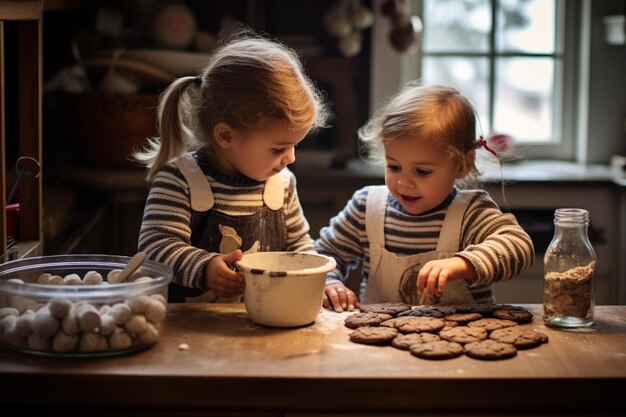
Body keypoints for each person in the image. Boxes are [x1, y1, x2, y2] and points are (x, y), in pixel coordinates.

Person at [135, 31, 327, 302]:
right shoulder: (179, 180)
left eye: (294, 145)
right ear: (226, 136)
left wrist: (320, 276)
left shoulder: (282, 183)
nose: (290, 158)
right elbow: (155, 247)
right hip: (191, 331)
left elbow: (300, 247)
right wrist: (204, 267)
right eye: (278, 148)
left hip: (263, 324)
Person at [315, 83, 534, 312]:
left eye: (422, 172)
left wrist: (463, 264)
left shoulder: (471, 213)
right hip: (379, 344)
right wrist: (330, 283)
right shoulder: (366, 208)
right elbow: (324, 255)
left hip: (459, 343)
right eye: (394, 166)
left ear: (462, 164)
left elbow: (518, 246)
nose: (403, 183)